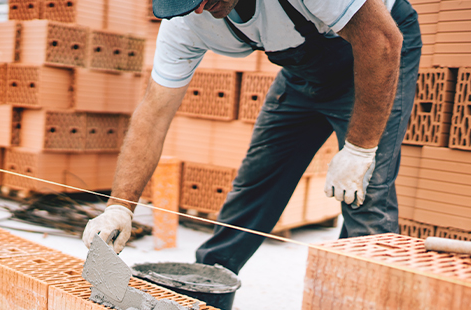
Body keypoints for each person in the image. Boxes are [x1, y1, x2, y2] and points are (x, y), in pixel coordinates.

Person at [83, 0, 421, 274]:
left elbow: (382, 40)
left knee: (364, 198)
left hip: (378, 49)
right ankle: (209, 288)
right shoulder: (186, 22)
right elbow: (153, 114)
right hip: (304, 75)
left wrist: (360, 150)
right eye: (187, 4)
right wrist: (120, 206)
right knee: (255, 183)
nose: (199, 10)